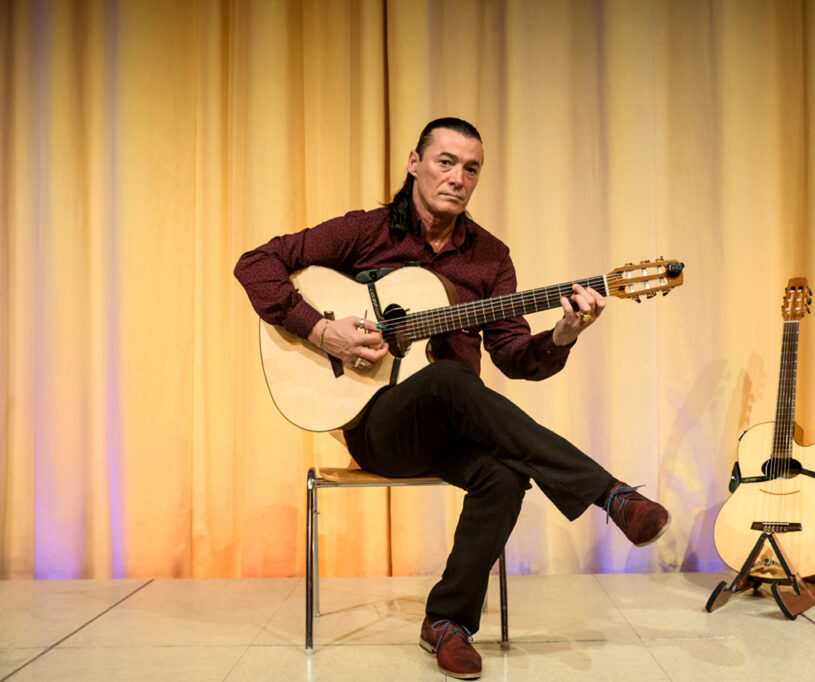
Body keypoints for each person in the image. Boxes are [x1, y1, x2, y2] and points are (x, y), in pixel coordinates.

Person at [235, 117, 670, 679]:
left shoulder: (490, 257)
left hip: (455, 430)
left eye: (471, 168)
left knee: (504, 475)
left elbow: (514, 356)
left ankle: (447, 623)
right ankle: (611, 495)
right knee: (450, 378)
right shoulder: (365, 231)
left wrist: (564, 334)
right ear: (414, 163)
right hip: (377, 426)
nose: (457, 178)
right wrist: (322, 331)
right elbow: (256, 264)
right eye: (445, 162)